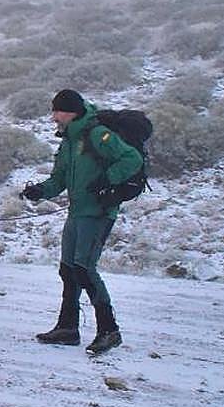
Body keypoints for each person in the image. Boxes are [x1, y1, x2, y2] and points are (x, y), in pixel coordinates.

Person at [21, 89, 142, 354]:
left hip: (98, 213)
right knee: (68, 269)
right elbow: (59, 179)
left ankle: (109, 330)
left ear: (72, 111)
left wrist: (107, 180)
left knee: (85, 269)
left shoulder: (97, 134)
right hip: (77, 212)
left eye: (58, 111)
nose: (54, 117)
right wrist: (40, 191)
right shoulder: (68, 142)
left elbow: (132, 158)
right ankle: (67, 328)